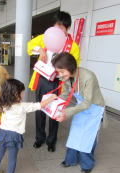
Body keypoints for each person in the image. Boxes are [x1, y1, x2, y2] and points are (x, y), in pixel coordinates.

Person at [0, 79, 57, 173]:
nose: (22, 94)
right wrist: (51, 98)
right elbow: (39, 105)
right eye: (21, 92)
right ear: (16, 94)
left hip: (2, 133)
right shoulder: (22, 106)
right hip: (14, 136)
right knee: (12, 157)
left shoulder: (2, 103)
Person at [27, 11, 80, 152]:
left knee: (55, 111)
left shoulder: (73, 46)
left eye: (62, 27)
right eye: (56, 26)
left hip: (58, 82)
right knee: (39, 109)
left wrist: (64, 73)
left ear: (67, 28)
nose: (58, 29)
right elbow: (29, 46)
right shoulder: (45, 37)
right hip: (42, 79)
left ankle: (51, 141)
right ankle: (39, 138)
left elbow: (75, 67)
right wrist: (40, 50)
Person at [52, 52, 105, 173]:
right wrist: (54, 105)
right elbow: (66, 94)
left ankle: (87, 164)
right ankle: (71, 160)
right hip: (81, 106)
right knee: (75, 133)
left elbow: (87, 102)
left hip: (94, 108)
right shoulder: (66, 77)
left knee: (87, 137)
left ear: (70, 67)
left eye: (61, 71)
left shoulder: (88, 77)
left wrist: (66, 112)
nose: (59, 75)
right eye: (58, 72)